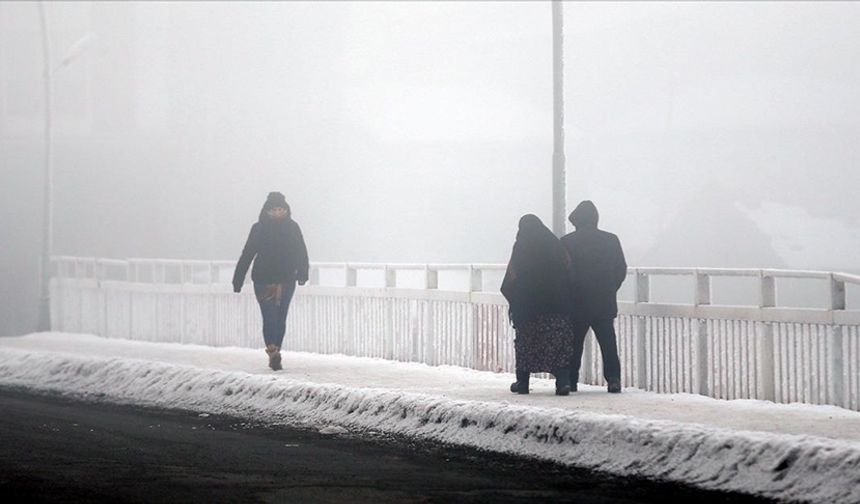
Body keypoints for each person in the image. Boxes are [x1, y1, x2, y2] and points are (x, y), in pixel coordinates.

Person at [233, 192, 309, 371]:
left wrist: (303, 273)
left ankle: (276, 350)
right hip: (263, 280)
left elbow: (301, 251)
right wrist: (238, 279)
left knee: (281, 316)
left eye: (280, 209)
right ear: (267, 211)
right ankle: (273, 351)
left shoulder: (292, 228)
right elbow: (248, 253)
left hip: (286, 279)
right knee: (269, 316)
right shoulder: (258, 229)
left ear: (286, 210)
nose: (277, 213)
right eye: (273, 209)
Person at [500, 214, 574, 395]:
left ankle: (522, 383)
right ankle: (562, 382)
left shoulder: (521, 246)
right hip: (556, 306)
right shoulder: (556, 246)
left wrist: (516, 302)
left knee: (526, 344)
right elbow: (568, 272)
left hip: (528, 308)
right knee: (558, 343)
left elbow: (510, 279)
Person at [560, 201, 627, 393]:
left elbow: (562, 271)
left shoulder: (567, 242)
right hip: (604, 301)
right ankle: (613, 379)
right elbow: (620, 269)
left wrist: (569, 292)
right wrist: (610, 288)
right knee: (608, 343)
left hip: (577, 302)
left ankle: (571, 380)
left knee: (574, 344)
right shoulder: (611, 240)